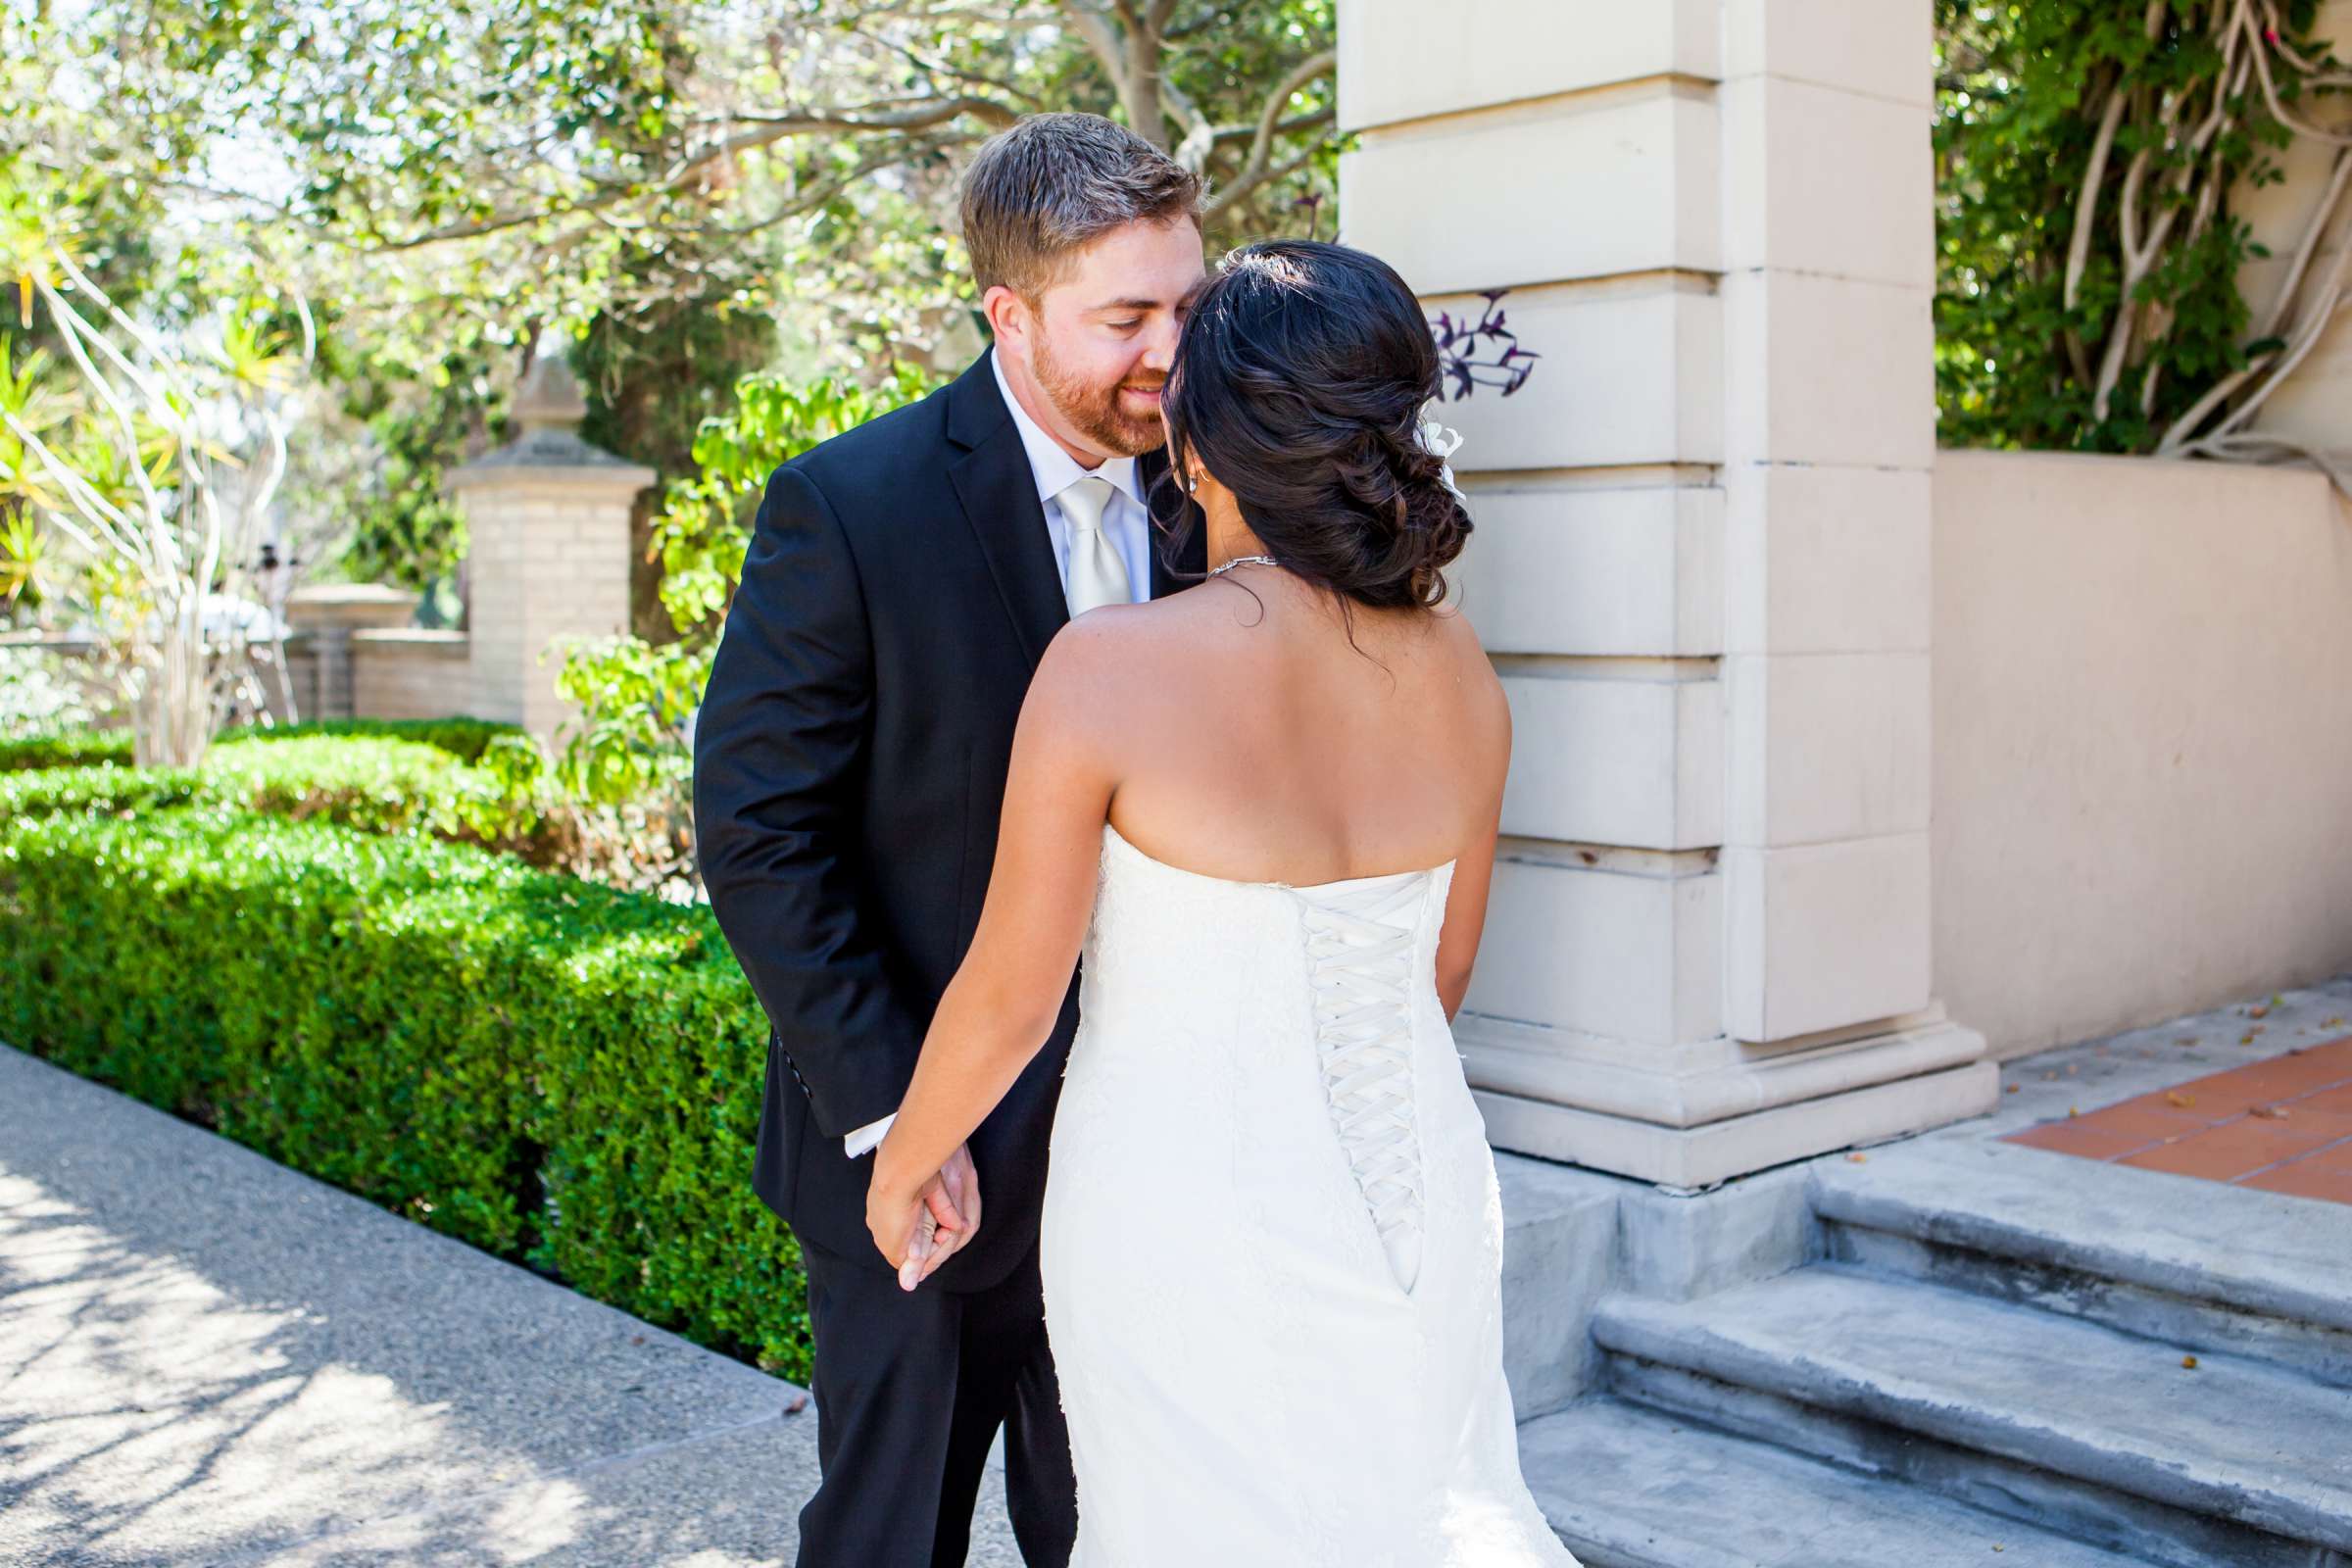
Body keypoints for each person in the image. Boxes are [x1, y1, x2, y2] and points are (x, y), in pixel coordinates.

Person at [863, 238, 1583, 1564]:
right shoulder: (1461, 668)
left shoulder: (1109, 669)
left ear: (1198, 449)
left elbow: (1016, 994)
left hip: (1177, 1202)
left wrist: (905, 1165)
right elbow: (1442, 974)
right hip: (1420, 1184)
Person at [692, 112, 1206, 1567]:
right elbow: (758, 832)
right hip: (928, 1166)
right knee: (888, 1537)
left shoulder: (1223, 500)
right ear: (1011, 311)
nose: (1173, 349)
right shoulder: (849, 507)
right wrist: (898, 1119)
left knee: (1113, 1535)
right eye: (1127, 318)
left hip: (1157, 1163)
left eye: (1188, 304)